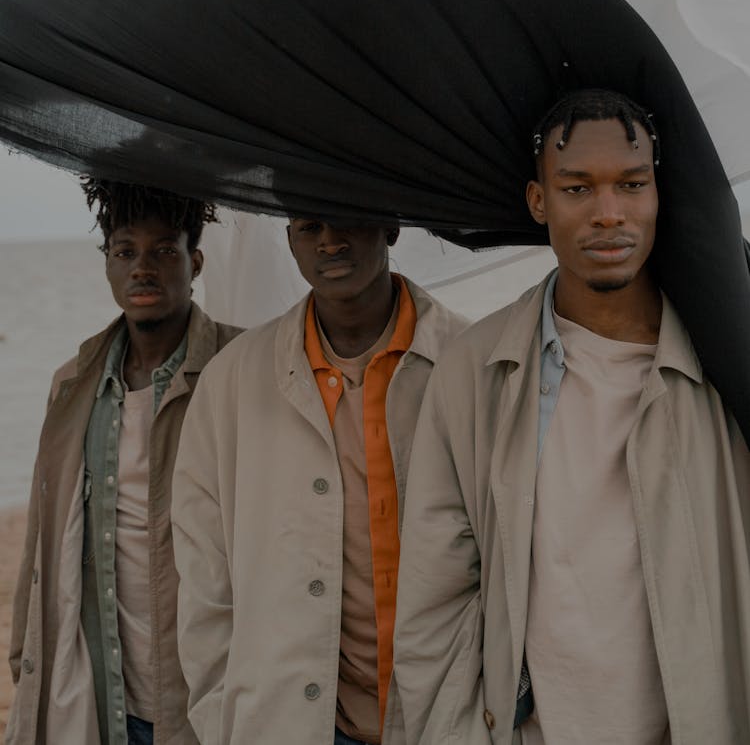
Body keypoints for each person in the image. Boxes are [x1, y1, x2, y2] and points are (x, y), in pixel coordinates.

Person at [393, 88, 750, 745]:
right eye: (578, 188)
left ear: (658, 193)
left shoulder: (727, 363)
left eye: (631, 184)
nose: (608, 213)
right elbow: (433, 604)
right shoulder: (475, 372)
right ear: (540, 201)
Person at [171, 217, 467, 745]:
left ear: (392, 225)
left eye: (347, 216)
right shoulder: (231, 381)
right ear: (288, 240)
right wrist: (223, 720)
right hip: (292, 723)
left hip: (450, 716)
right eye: (308, 226)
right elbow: (204, 579)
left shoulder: (473, 362)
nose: (329, 241)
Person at [8, 180, 242, 745]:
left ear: (196, 261)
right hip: (103, 695)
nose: (143, 268)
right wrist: (24, 650)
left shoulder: (240, 368)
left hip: (208, 694)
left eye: (165, 250)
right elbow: (43, 532)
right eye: (125, 251)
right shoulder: (73, 383)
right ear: (107, 265)